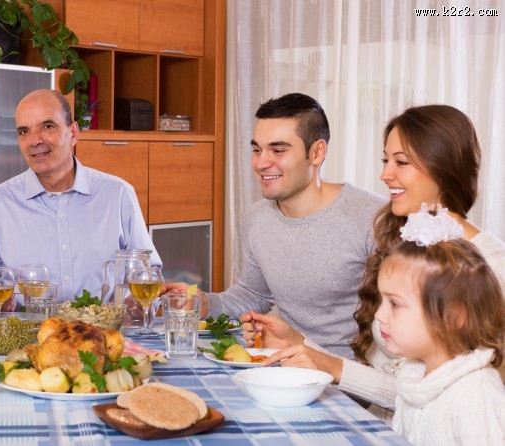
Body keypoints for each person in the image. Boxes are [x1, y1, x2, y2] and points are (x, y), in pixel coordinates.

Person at [244, 104, 505, 420]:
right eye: (385, 160)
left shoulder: (487, 264)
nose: (385, 174)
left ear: (443, 168)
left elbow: (438, 398)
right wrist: (299, 342)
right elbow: (387, 377)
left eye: (401, 162)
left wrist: (331, 366)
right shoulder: (406, 244)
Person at [164, 93, 386, 359]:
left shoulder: (373, 218)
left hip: (349, 382)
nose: (260, 163)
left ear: (317, 152)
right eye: (257, 149)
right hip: (286, 364)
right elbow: (252, 294)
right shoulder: (258, 217)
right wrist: (203, 304)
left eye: (278, 150)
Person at [0, 89, 161, 307]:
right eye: (24, 131)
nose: (34, 140)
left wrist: (136, 304)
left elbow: (149, 274)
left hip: (105, 335)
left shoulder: (118, 194)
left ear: (74, 133)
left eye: (47, 127)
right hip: (28, 337)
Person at [374, 214, 504, 445]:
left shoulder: (477, 395)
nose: (379, 315)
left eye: (394, 303)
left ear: (452, 317)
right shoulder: (414, 377)